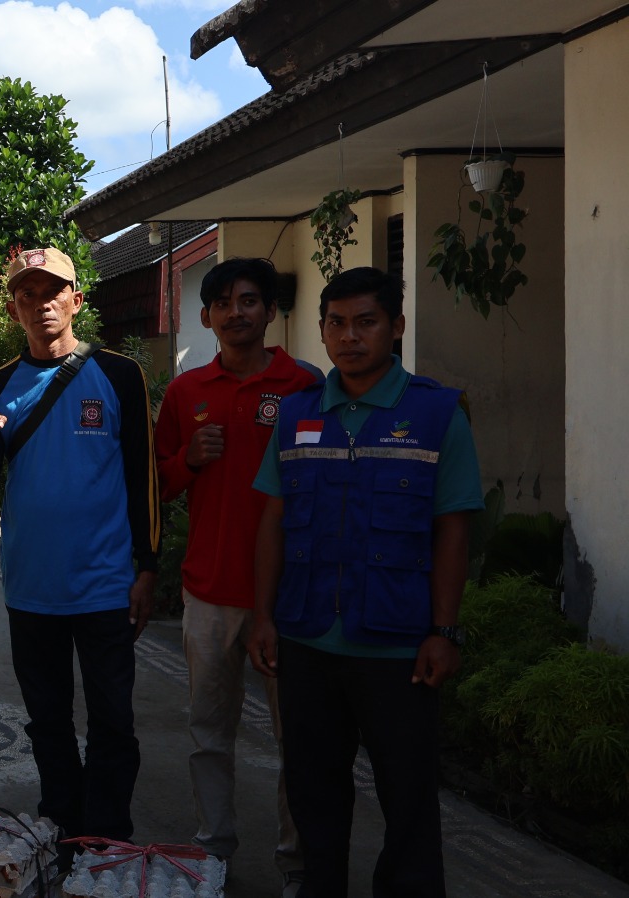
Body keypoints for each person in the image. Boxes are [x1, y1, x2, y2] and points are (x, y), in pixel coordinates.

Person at [248, 266, 482, 898]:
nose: (350, 337)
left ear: (396, 327)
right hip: (307, 641)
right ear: (323, 331)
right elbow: (272, 520)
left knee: (407, 801)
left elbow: (452, 531)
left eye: (366, 322)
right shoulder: (297, 414)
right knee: (314, 798)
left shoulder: (436, 414)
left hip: (397, 648)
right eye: (337, 323)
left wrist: (444, 630)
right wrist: (263, 617)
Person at [0, 246, 159, 843]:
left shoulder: (119, 375)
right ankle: (62, 828)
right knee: (47, 721)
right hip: (31, 585)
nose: (41, 304)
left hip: (104, 586)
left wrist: (148, 567)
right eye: (27, 296)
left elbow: (143, 476)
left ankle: (108, 834)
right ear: (15, 308)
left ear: (76, 299)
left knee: (113, 721)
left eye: (52, 293)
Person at [154, 257, 318, 893]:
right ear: (207, 317)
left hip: (291, 597)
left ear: (269, 311)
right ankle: (212, 854)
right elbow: (157, 487)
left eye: (249, 301)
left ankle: (297, 864)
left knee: (296, 740)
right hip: (209, 591)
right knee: (208, 735)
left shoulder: (305, 385)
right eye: (223, 303)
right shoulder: (185, 392)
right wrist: (188, 460)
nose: (236, 312)